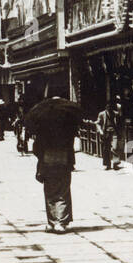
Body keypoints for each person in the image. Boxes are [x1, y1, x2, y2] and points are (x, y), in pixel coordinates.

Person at [28, 88, 81, 233]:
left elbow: (36, 147)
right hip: (64, 159)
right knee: (63, 190)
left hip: (47, 159)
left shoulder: (43, 117)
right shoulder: (68, 119)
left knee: (50, 191)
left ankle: (52, 222)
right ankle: (61, 222)